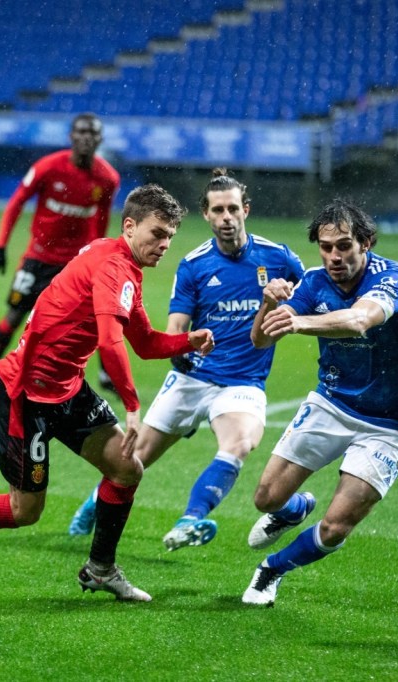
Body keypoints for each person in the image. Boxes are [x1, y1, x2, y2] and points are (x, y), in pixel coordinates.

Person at [0, 185, 215, 602]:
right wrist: (133, 406)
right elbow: (110, 341)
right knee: (25, 511)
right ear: (130, 226)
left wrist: (187, 341)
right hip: (24, 396)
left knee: (126, 469)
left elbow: (143, 342)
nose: (165, 244)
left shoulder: (122, 265)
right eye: (157, 233)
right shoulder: (113, 268)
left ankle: (101, 570)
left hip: (67, 390)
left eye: (170, 237)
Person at [67, 169, 305, 552]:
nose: (226, 217)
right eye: (218, 210)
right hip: (192, 378)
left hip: (243, 381)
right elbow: (176, 326)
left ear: (245, 210)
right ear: (206, 215)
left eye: (233, 209)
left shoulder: (279, 258)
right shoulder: (194, 265)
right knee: (134, 458)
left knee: (239, 443)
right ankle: (92, 504)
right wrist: (181, 352)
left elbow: (312, 292)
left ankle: (190, 520)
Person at [240, 198, 398, 607]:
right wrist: (270, 303)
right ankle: (292, 510)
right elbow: (261, 340)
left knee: (336, 527)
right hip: (332, 404)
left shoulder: (393, 280)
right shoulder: (313, 282)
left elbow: (358, 320)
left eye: (344, 246)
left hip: (390, 423)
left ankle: (272, 570)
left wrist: (298, 321)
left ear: (366, 243)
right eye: (326, 248)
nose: (334, 257)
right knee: (265, 498)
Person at [0, 113, 121, 399]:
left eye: (93, 133)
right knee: (14, 316)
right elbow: (15, 204)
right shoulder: (48, 167)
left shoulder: (107, 178)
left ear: (100, 139)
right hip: (38, 259)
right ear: (71, 136)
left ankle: (101, 375)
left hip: (74, 266)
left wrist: (98, 258)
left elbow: (102, 220)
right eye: (81, 132)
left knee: (93, 315)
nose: (86, 138)